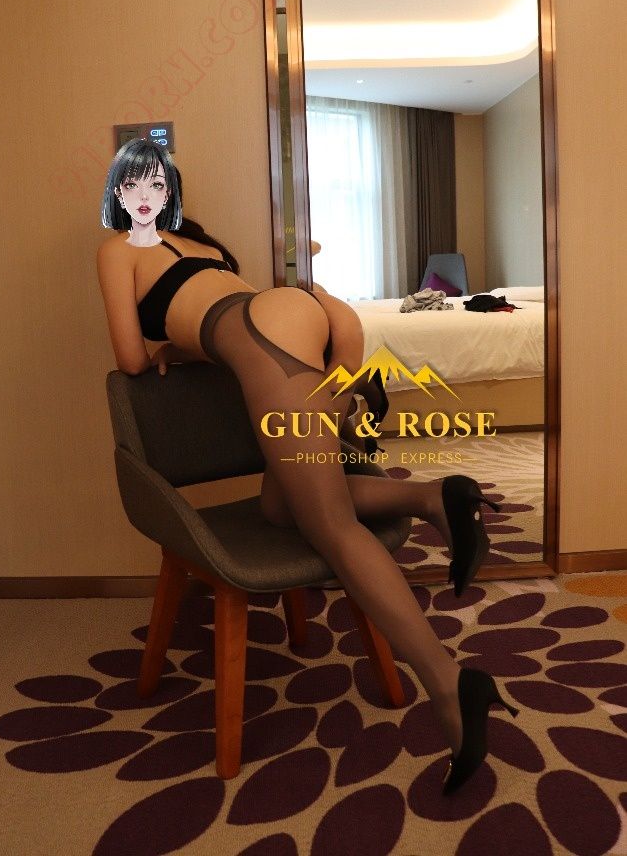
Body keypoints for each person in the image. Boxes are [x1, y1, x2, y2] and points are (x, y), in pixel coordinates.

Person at [97, 137, 519, 796]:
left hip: (268, 330)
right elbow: (215, 318)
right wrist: (192, 346)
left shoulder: (119, 248)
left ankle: (448, 685)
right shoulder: (205, 247)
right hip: (310, 316)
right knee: (281, 507)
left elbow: (129, 357)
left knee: (329, 526)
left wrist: (166, 349)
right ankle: (431, 497)